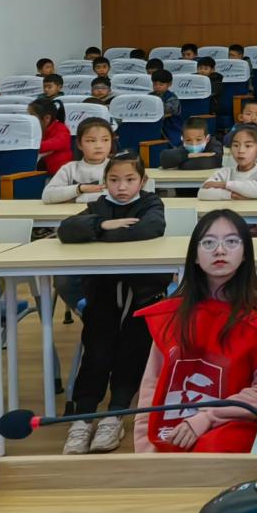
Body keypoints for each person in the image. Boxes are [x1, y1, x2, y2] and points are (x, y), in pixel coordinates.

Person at [134, 211, 257, 452]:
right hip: (172, 430)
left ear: (245, 253)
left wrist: (209, 416)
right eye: (208, 243)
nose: (220, 251)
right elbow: (152, 387)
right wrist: (145, 449)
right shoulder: (171, 315)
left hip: (234, 426)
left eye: (231, 242)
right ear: (195, 256)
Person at [56, 155, 167, 453]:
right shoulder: (99, 206)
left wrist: (97, 233)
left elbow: (149, 229)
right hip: (102, 291)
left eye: (130, 180)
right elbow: (66, 230)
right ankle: (83, 416)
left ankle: (116, 412)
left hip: (142, 291)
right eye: (114, 180)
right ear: (104, 182)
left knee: (132, 348)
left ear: (142, 181)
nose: (121, 187)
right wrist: (104, 223)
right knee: (97, 348)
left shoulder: (151, 204)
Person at [42, 116, 150, 203]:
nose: (99, 146)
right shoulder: (69, 169)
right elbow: (47, 196)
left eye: (105, 140)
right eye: (91, 141)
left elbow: (125, 196)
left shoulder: (120, 167)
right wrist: (80, 188)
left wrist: (75, 199)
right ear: (79, 144)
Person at [197, 124, 257, 200]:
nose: (241, 151)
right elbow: (202, 192)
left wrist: (224, 184)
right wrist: (231, 195)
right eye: (236, 145)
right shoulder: (223, 173)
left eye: (248, 146)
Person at [29, 97, 72, 175]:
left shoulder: (61, 129)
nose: (29, 120)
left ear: (47, 118)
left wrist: (29, 145)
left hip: (61, 175)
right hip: (43, 172)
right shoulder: (36, 130)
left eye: (32, 117)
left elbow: (53, 143)